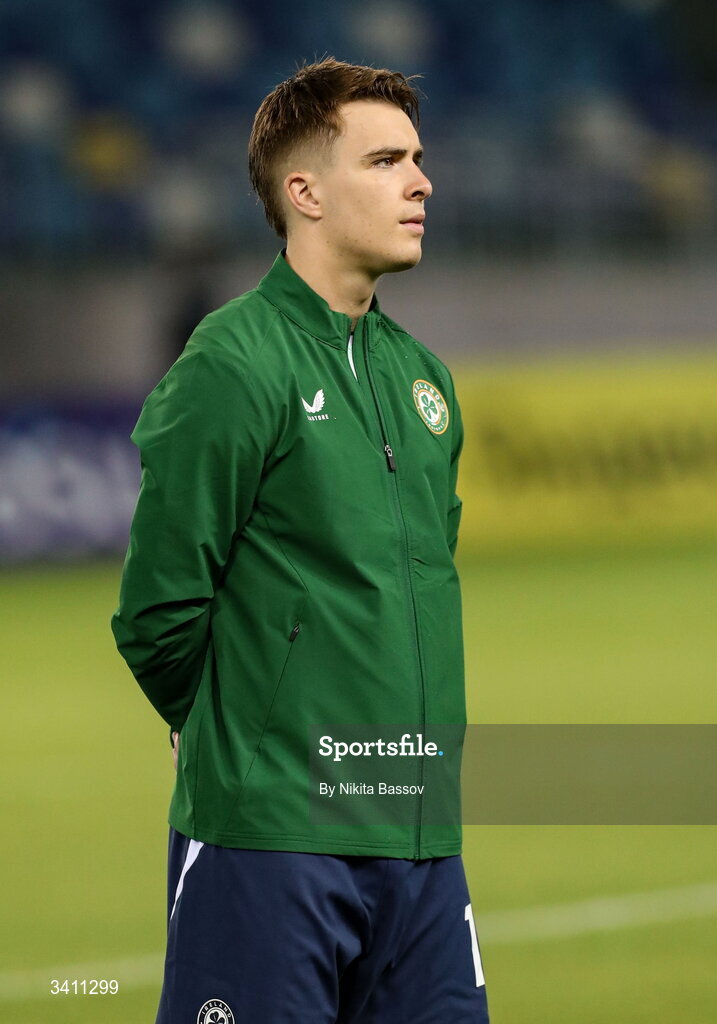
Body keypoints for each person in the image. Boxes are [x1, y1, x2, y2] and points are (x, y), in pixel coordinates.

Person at [112, 56, 489, 1024]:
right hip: (270, 841)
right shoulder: (233, 363)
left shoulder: (428, 385)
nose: (421, 182)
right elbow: (159, 608)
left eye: (419, 158)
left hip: (420, 841)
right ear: (305, 191)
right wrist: (239, 741)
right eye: (387, 160)